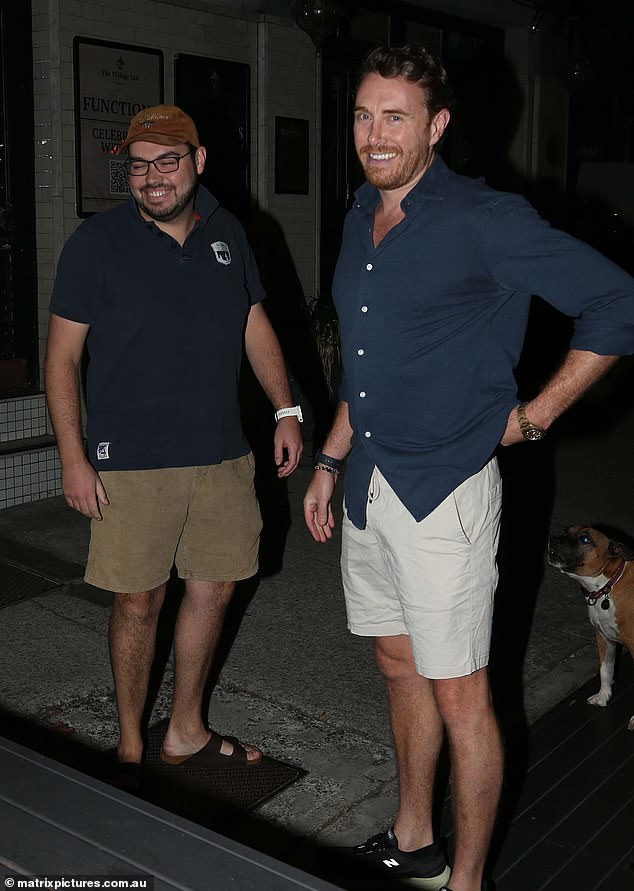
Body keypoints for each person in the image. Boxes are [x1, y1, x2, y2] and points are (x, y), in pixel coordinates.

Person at [303, 44, 634, 891]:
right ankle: (415, 838)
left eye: (396, 117)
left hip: (446, 491)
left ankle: (468, 882)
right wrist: (330, 458)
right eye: (363, 114)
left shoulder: (486, 220)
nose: (375, 135)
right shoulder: (359, 216)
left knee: (463, 696)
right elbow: (367, 359)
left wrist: (530, 417)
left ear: (437, 127)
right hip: (372, 483)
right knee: (395, 662)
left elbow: (616, 300)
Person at [45, 104, 303, 779]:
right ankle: (131, 744)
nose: (153, 177)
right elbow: (62, 359)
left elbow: (254, 323)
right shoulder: (95, 242)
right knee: (138, 600)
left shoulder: (230, 235)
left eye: (168, 161)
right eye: (139, 165)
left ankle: (185, 727)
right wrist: (73, 456)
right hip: (130, 462)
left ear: (198, 162)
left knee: (214, 590)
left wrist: (286, 408)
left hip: (221, 453)